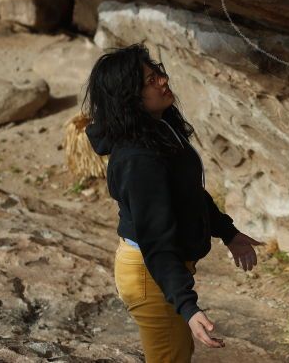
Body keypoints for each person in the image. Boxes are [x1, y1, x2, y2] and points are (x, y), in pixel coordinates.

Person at [85, 44, 264, 362]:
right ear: (130, 97)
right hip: (149, 272)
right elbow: (156, 240)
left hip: (158, 268)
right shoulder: (139, 158)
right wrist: (187, 305)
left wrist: (228, 232)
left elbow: (187, 194)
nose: (163, 80)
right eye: (150, 80)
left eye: (158, 73)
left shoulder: (158, 128)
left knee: (178, 352)